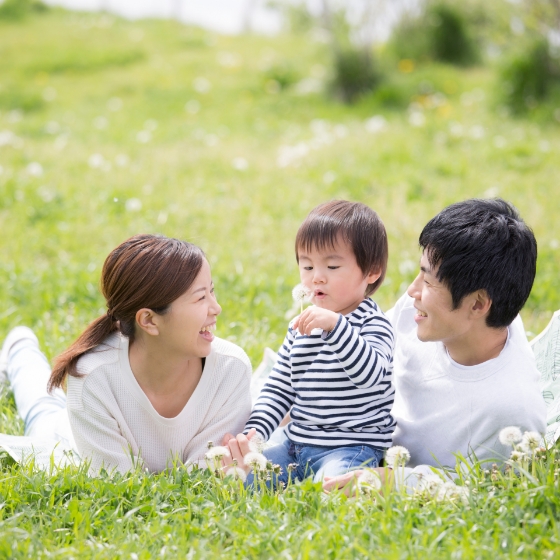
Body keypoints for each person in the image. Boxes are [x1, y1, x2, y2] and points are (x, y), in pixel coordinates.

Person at [323, 198, 547, 492]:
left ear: (478, 303)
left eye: (428, 281)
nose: (412, 290)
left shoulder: (509, 414)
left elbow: (486, 496)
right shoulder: (430, 314)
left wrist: (398, 482)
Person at [1, 234, 252, 473]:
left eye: (212, 290)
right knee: (42, 411)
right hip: (72, 443)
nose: (216, 307)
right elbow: (119, 485)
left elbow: (203, 477)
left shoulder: (230, 369)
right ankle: (19, 347)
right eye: (200, 298)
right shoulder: (94, 377)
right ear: (149, 320)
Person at [237, 200, 395, 485]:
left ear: (372, 271)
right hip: (295, 446)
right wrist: (256, 431)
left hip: (351, 448)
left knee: (334, 491)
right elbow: (280, 386)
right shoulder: (300, 327)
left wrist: (336, 326)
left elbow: (371, 376)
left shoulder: (373, 324)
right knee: (245, 481)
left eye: (332, 266)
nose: (317, 277)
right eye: (307, 266)